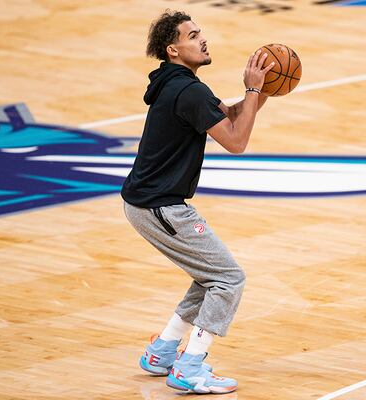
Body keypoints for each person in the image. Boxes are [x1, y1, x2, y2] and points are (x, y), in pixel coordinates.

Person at [121, 10, 274, 394]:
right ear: (174, 49)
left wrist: (262, 90)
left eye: (200, 32)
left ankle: (162, 352)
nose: (202, 38)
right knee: (228, 278)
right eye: (192, 35)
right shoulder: (188, 90)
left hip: (147, 203)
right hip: (160, 206)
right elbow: (237, 142)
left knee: (210, 275)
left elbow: (229, 117)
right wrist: (252, 91)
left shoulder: (177, 84)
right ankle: (190, 367)